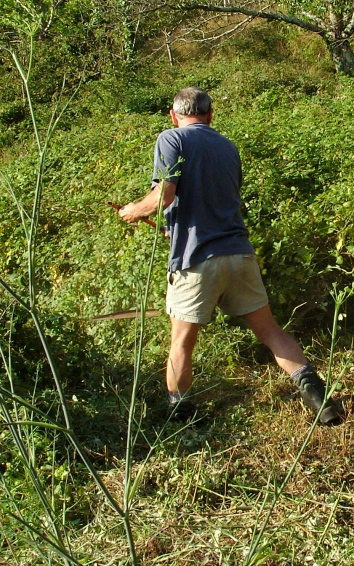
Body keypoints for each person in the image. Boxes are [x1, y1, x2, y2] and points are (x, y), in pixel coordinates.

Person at [118, 86, 340, 424]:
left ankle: (180, 417)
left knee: (181, 342)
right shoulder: (228, 147)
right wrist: (173, 227)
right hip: (239, 254)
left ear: (174, 115)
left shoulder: (170, 139)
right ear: (210, 114)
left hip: (196, 260)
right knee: (271, 333)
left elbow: (165, 194)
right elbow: (215, 201)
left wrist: (135, 210)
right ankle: (319, 400)